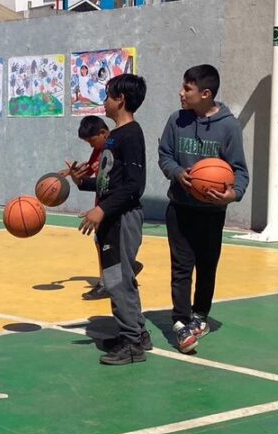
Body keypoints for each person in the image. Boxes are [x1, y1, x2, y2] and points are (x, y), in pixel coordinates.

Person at [158, 64, 249, 354]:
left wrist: (232, 194)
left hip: (211, 213)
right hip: (180, 208)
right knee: (181, 267)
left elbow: (240, 170)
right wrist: (176, 173)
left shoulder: (228, 127)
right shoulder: (177, 120)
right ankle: (181, 320)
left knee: (207, 266)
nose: (181, 93)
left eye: (188, 88)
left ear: (206, 94)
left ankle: (200, 315)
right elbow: (165, 155)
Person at [77, 73, 150, 365]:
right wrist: (84, 183)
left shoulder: (131, 134)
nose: (103, 102)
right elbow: (112, 184)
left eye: (107, 96)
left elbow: (134, 186)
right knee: (120, 279)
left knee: (118, 281)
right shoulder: (117, 136)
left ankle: (132, 345)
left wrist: (102, 210)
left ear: (120, 100)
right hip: (113, 217)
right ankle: (137, 333)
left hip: (122, 218)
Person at [68, 116, 145, 301]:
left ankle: (108, 282)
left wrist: (103, 209)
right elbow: (103, 181)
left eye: (92, 140)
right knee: (100, 243)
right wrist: (79, 180)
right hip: (104, 205)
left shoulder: (121, 142)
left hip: (116, 209)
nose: (90, 145)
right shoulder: (100, 150)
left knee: (112, 251)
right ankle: (118, 274)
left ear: (103, 133)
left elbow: (130, 184)